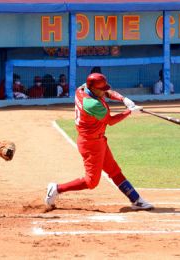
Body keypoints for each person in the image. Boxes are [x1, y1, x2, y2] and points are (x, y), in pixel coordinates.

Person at [45, 73, 154, 211]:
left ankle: (136, 200)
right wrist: (129, 112)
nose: (104, 91)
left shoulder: (83, 88)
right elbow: (110, 121)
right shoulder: (92, 104)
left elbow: (107, 92)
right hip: (91, 144)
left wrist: (124, 99)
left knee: (114, 170)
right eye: (101, 89)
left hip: (98, 140)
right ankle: (56, 188)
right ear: (93, 88)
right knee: (91, 182)